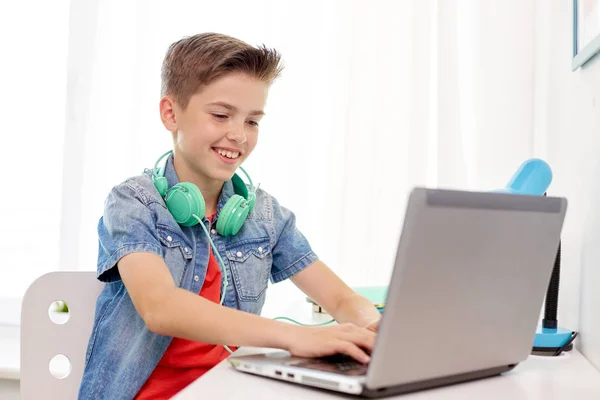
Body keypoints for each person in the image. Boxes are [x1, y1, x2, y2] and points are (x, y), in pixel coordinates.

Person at [78, 32, 382, 399]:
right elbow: (159, 307)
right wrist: (296, 337)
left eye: (252, 121)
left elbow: (341, 300)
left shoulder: (265, 215)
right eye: (221, 115)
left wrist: (376, 329)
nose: (239, 135)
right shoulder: (133, 203)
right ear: (171, 113)